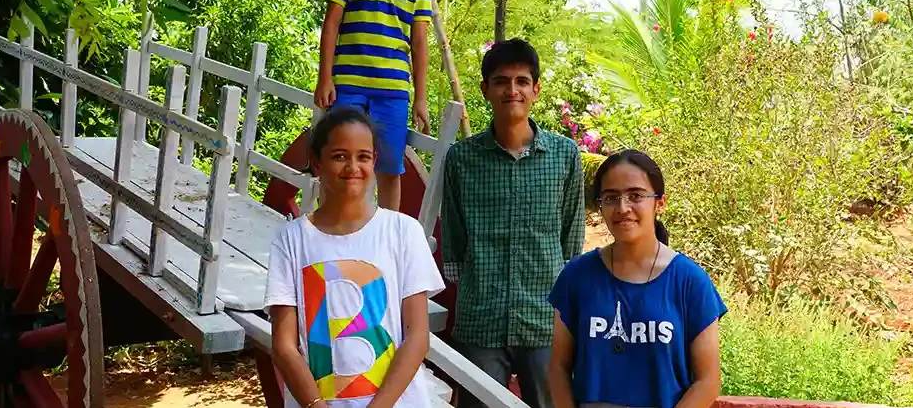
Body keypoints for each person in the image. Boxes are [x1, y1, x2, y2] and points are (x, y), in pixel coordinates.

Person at [265, 107, 445, 408]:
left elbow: (417, 336)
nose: (352, 166)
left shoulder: (403, 231)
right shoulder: (292, 239)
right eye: (339, 156)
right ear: (317, 162)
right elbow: (284, 346)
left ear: (374, 162)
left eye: (363, 156)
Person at [441, 38, 586, 408]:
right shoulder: (461, 160)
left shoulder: (565, 156)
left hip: (544, 319)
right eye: (502, 81)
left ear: (536, 89)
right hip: (480, 319)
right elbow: (455, 239)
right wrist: (474, 286)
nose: (512, 90)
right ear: (485, 89)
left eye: (522, 81)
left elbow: (571, 238)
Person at [547, 150, 726, 408]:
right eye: (611, 197)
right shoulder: (577, 276)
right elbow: (559, 368)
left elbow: (708, 380)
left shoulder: (689, 281)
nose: (622, 208)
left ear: (659, 203)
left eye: (635, 196)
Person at [313, 0, 433, 211]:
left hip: (393, 90)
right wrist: (325, 78)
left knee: (389, 167)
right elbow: (331, 24)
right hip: (347, 83)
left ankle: (386, 237)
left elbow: (419, 43)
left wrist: (419, 97)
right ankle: (333, 223)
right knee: (338, 157)